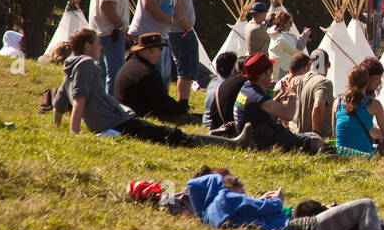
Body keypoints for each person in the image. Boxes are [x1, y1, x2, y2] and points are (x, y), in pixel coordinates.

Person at [53, 29, 248, 149]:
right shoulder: (86, 64)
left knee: (171, 132)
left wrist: (56, 125)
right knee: (173, 135)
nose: (101, 48)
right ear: (87, 47)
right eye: (97, 44)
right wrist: (74, 133)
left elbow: (60, 100)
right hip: (118, 121)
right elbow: (79, 99)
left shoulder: (71, 66)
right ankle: (232, 142)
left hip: (118, 118)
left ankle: (219, 136)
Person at [185, 171, 384, 230]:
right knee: (365, 206)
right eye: (237, 182)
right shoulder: (223, 197)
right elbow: (270, 207)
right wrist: (275, 200)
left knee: (360, 229)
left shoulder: (208, 218)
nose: (241, 185)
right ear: (217, 185)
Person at [233, 53, 323, 154]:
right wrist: (292, 95)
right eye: (270, 72)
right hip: (263, 144)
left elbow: (264, 109)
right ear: (263, 75)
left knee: (312, 135)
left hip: (256, 138)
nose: (271, 77)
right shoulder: (256, 96)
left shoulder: (247, 88)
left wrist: (279, 96)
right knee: (316, 141)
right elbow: (288, 115)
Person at [128, 0, 190, 88]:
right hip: (147, 33)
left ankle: (162, 108)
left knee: (164, 77)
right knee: (153, 76)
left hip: (163, 34)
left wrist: (181, 19)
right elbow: (149, 6)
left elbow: (171, 5)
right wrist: (172, 20)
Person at [114, 33, 195, 123]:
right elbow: (162, 102)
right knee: (193, 120)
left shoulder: (131, 65)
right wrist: (181, 107)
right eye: (160, 49)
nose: (160, 52)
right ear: (151, 50)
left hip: (128, 114)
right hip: (140, 116)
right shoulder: (145, 72)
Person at [88, 0, 132, 94]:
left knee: (104, 73)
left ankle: (102, 105)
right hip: (111, 32)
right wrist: (120, 26)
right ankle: (112, 108)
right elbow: (106, 5)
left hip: (104, 32)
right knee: (115, 74)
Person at [334, 64, 384, 156]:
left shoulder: (337, 102)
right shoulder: (374, 104)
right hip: (364, 155)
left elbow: (336, 133)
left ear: (349, 82)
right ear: (367, 83)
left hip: (341, 153)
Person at [288, 51, 335, 140]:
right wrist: (315, 135)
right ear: (328, 65)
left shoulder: (295, 80)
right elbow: (318, 106)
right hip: (318, 143)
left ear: (309, 64)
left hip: (297, 139)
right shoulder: (324, 82)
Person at [267, 8, 308, 80]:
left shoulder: (277, 35)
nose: (291, 25)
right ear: (284, 24)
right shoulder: (282, 38)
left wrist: (302, 37)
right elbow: (298, 51)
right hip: (282, 70)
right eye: (290, 23)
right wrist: (305, 36)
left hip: (279, 69)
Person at [203, 51, 239, 131]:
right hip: (216, 124)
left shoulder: (214, 80)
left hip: (206, 121)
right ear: (234, 68)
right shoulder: (229, 85)